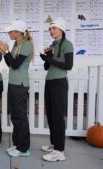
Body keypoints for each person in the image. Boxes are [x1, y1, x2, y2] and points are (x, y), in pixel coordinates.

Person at [0, 20, 34, 156]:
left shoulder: (26, 45)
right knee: (15, 116)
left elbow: (16, 64)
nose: (9, 33)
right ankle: (18, 144)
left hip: (20, 85)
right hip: (13, 84)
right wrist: (4, 52)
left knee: (20, 116)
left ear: (18, 32)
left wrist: (6, 51)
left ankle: (23, 148)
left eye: (11, 31)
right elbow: (10, 64)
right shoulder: (16, 44)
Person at [40, 17, 73, 162]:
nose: (51, 31)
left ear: (62, 30)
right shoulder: (53, 44)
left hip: (59, 83)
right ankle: (54, 145)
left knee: (58, 117)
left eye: (54, 28)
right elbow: (47, 67)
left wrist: (49, 59)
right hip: (50, 82)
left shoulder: (67, 44)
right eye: (50, 29)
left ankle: (60, 151)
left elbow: (68, 65)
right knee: (51, 115)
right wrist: (48, 57)